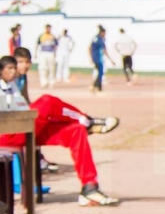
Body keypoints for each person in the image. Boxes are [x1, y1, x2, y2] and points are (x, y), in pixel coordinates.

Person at [0, 55, 120, 205]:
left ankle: (89, 187)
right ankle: (87, 121)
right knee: (47, 101)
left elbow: (21, 107)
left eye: (16, 67)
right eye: (11, 67)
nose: (15, 70)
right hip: (6, 133)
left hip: (22, 129)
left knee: (76, 131)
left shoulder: (14, 84)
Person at [89, 26, 116, 94]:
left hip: (96, 57)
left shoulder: (95, 38)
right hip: (98, 58)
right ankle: (96, 87)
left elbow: (90, 48)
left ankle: (96, 87)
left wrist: (91, 57)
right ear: (102, 33)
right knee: (100, 73)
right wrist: (111, 60)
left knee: (99, 73)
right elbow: (104, 50)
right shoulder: (100, 40)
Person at [35, 24, 57, 89]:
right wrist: (35, 53)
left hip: (50, 53)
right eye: (47, 28)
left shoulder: (52, 36)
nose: (48, 30)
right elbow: (37, 44)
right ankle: (44, 82)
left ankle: (51, 82)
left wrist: (55, 53)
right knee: (42, 67)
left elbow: (56, 45)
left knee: (51, 68)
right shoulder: (42, 36)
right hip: (43, 53)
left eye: (49, 28)